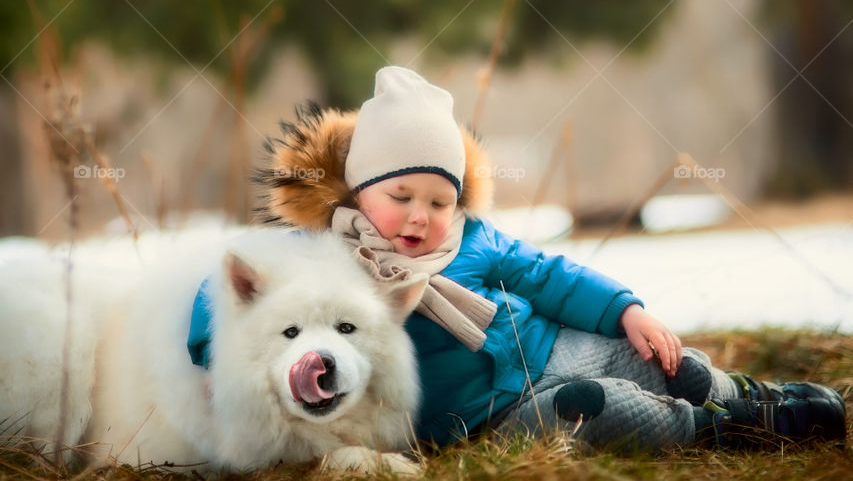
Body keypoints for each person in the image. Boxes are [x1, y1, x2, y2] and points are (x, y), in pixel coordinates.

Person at [240, 66, 846, 453]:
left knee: (665, 365)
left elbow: (549, 277)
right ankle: (729, 427)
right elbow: (240, 292)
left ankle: (751, 393)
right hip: (491, 414)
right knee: (594, 410)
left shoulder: (472, 240)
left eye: (439, 200)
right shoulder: (325, 263)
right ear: (357, 191)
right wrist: (203, 346)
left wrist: (624, 311)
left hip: (556, 347)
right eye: (400, 197)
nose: (421, 216)